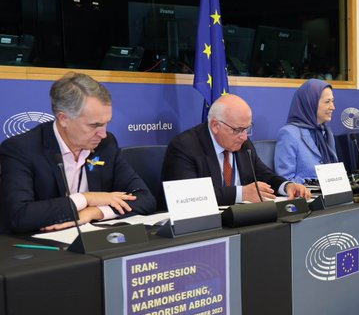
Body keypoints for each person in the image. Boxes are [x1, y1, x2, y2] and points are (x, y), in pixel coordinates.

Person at [0, 72, 156, 234]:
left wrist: (94, 212)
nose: (103, 134)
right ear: (63, 119)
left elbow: (144, 198)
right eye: (94, 125)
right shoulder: (21, 149)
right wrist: (86, 198)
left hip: (93, 239)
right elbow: (19, 215)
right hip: (38, 243)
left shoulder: (106, 144)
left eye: (106, 123)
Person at [161, 93, 310, 205]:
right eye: (238, 130)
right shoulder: (185, 146)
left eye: (247, 128)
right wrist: (241, 194)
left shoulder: (243, 144)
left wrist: (287, 186)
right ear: (215, 125)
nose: (244, 137)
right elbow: (188, 196)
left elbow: (263, 174)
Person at [275, 79, 338, 183]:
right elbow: (285, 180)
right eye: (327, 102)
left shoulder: (326, 132)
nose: (333, 107)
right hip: (307, 192)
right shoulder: (289, 134)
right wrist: (315, 184)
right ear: (310, 103)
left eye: (333, 101)